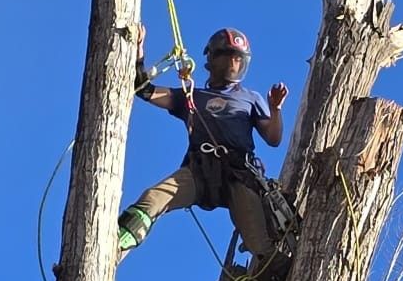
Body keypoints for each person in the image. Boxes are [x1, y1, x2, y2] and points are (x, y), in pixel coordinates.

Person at [118, 26, 289, 261]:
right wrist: (138, 50)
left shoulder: (250, 98)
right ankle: (118, 243)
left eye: (239, 60)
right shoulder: (191, 96)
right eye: (230, 58)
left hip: (238, 174)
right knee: (153, 198)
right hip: (200, 171)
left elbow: (273, 137)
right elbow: (144, 90)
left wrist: (275, 109)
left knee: (259, 243)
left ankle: (273, 278)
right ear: (213, 59)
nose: (235, 65)